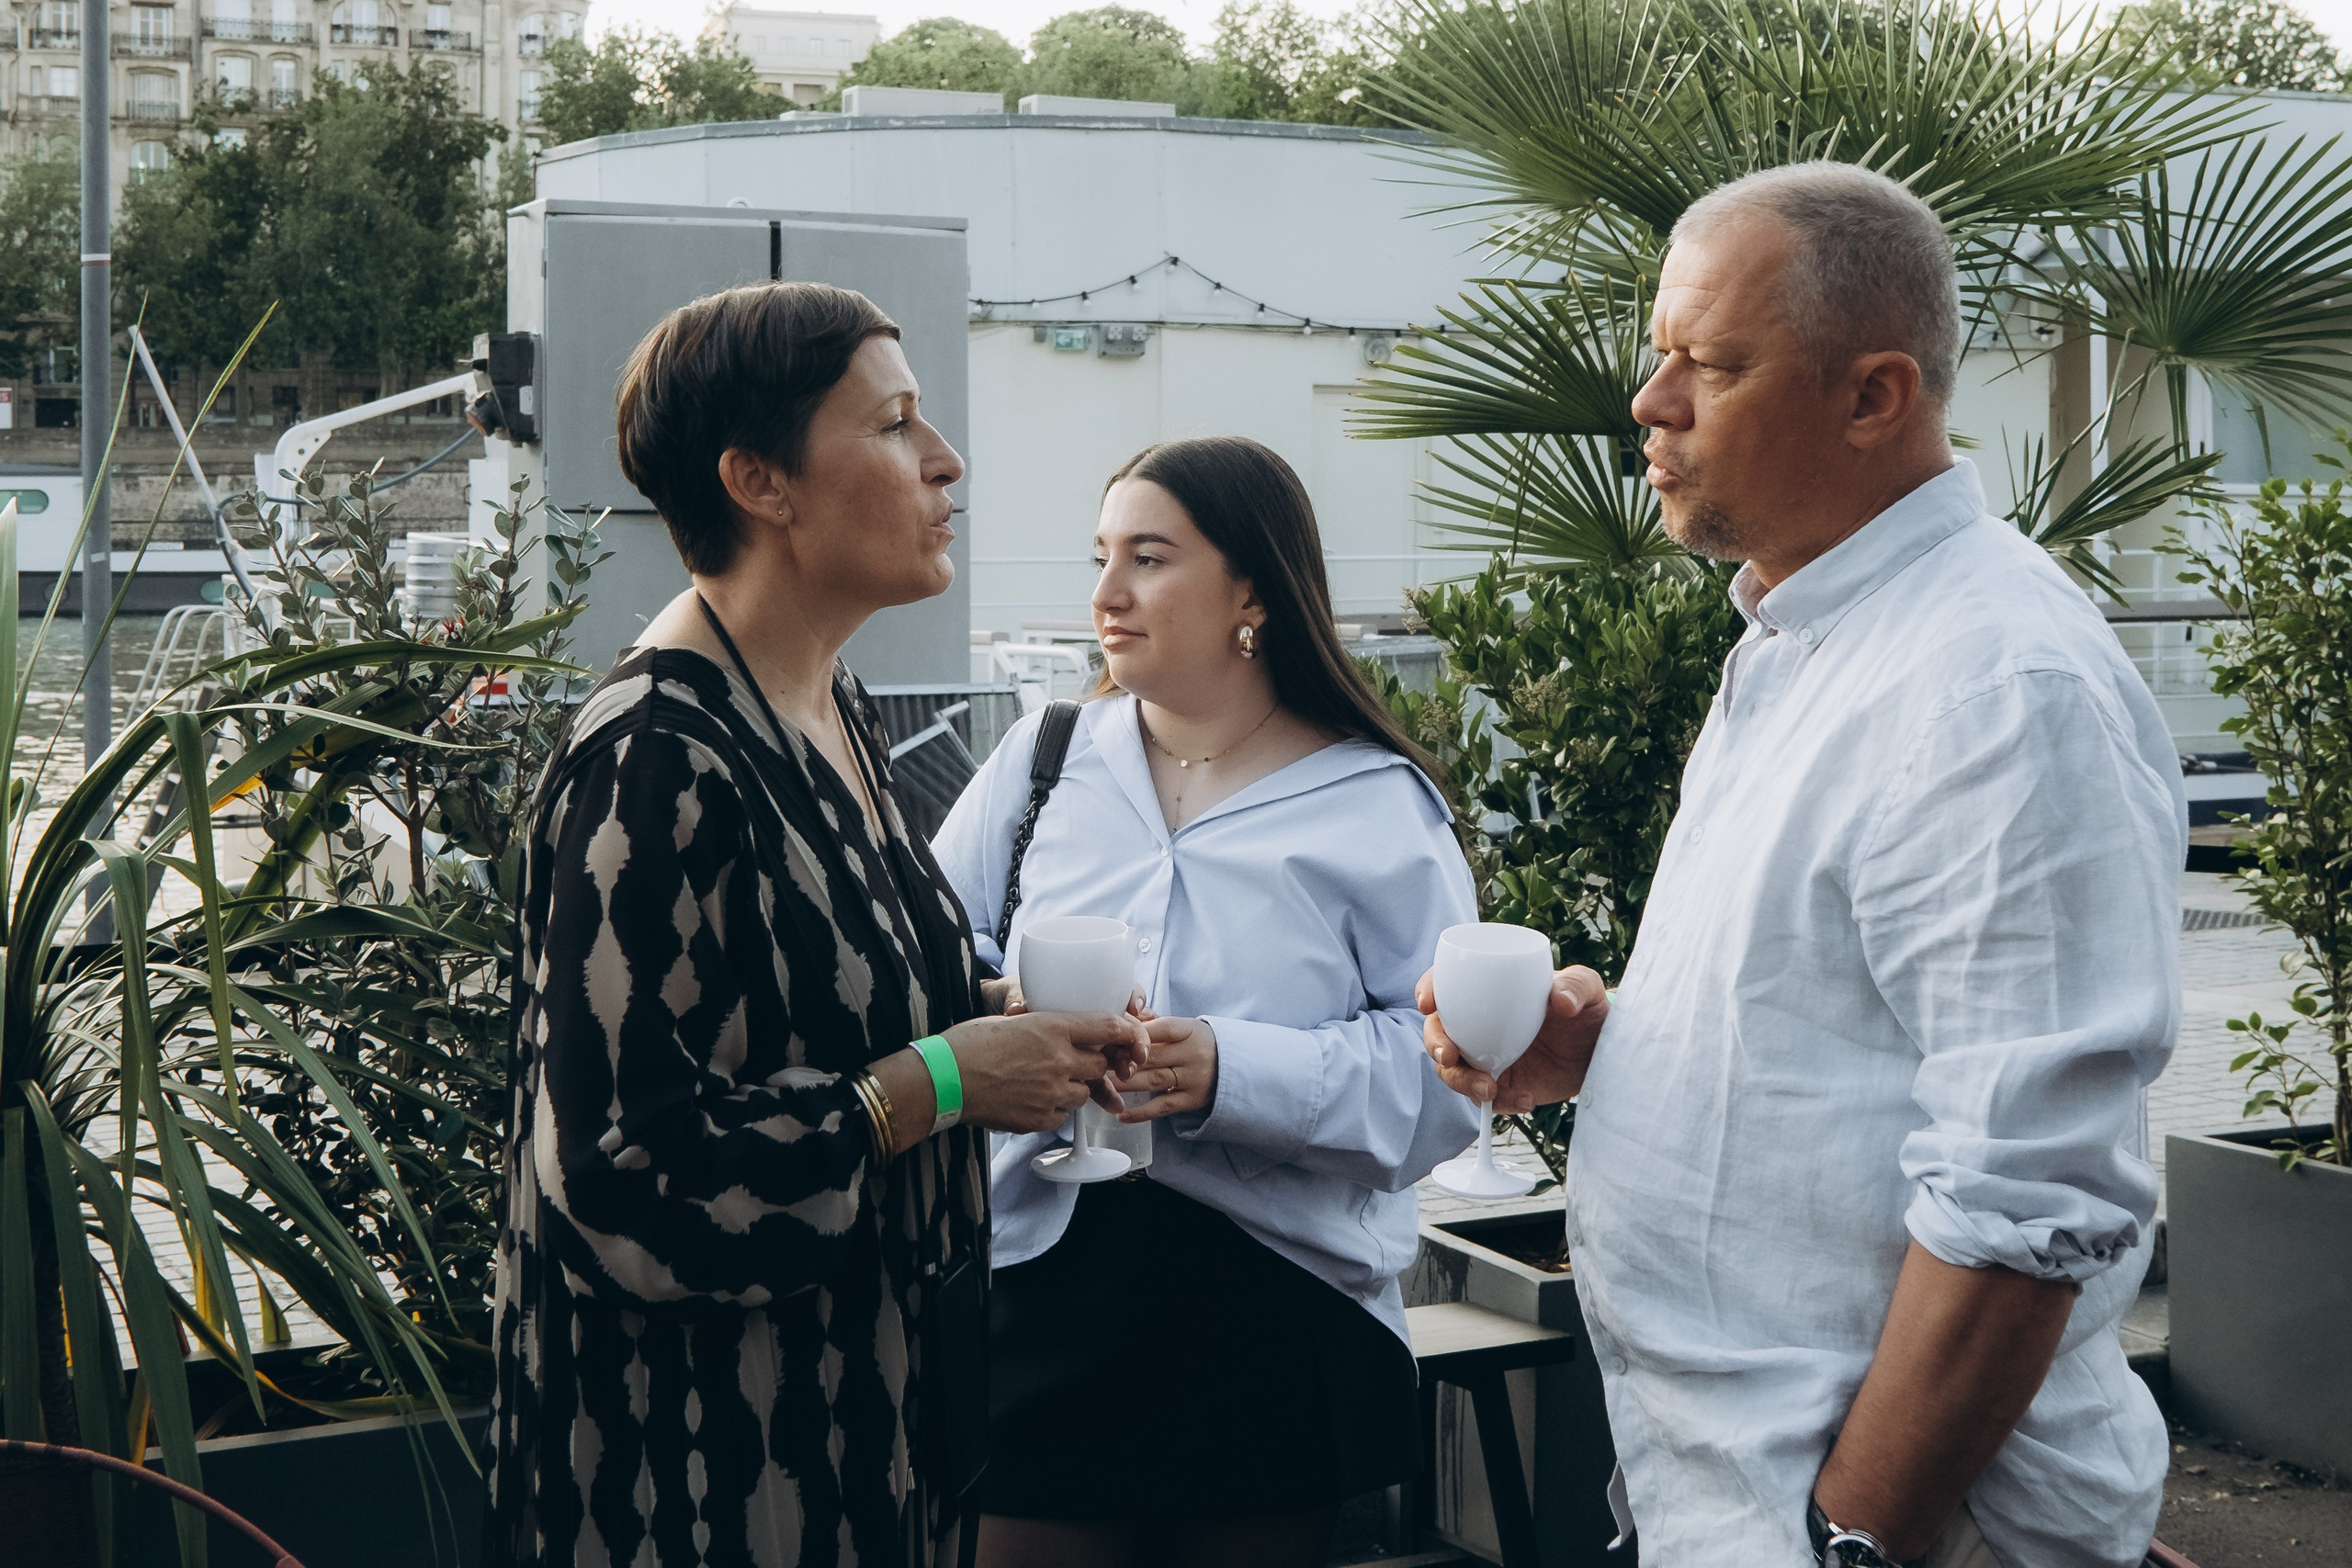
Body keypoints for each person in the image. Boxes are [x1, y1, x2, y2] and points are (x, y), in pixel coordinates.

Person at [1423, 163, 2186, 1568]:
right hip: (1734, 1491)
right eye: (1660, 357)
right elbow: (1841, 1031)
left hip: (1871, 1523)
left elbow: (2029, 1200)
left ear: (1872, 396)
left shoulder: (1990, 685)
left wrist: (1851, 1538)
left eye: (1709, 363)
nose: (1649, 406)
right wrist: (1615, 1044)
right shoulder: (1804, 631)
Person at [488, 281, 1148, 1568]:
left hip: (874, 1454)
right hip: (705, 1487)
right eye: (896, 424)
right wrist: (948, 1077)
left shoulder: (828, 698)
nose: (945, 459)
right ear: (760, 481)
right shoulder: (657, 757)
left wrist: (1005, 1029)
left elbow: (830, 1007)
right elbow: (629, 1179)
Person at [932, 436, 1482, 1568]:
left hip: (1269, 1314)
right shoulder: (1039, 762)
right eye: (1100, 557)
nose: (1105, 595)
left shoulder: (1377, 804)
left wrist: (1228, 1070)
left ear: (1253, 591)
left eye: (1149, 557)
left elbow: (1447, 1081)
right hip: (1034, 1290)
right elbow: (926, 960)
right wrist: (1005, 1013)